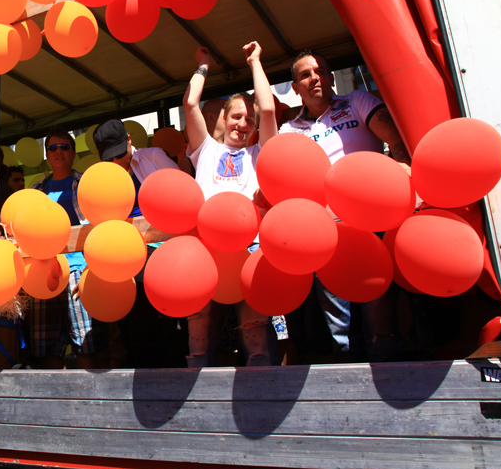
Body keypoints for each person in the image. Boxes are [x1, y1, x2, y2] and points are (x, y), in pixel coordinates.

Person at [280, 52, 410, 362]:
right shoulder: (289, 131)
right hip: (325, 231)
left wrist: (404, 167)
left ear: (331, 77)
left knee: (380, 318)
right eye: (306, 74)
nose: (315, 77)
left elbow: (395, 141)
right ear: (296, 88)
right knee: (339, 328)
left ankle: (387, 377)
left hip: (371, 222)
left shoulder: (357, 101)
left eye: (321, 71)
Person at [183, 42, 278, 368]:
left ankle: (263, 404)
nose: (243, 123)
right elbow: (190, 102)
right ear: (222, 117)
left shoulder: (259, 154)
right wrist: (203, 65)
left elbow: (268, 110)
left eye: (248, 119)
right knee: (198, 347)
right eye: (237, 116)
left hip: (250, 254)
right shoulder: (204, 149)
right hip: (205, 256)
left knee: (258, 345)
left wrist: (255, 62)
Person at [91, 119, 183, 367]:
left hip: (164, 248)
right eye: (109, 158)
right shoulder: (103, 179)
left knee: (167, 323)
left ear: (130, 139)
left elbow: (181, 193)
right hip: (128, 254)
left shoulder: (152, 157)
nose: (116, 161)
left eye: (120, 154)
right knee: (136, 323)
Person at [29, 128, 106, 369]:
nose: (59, 151)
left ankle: (93, 402)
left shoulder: (84, 183)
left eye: (64, 147)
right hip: (44, 272)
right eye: (53, 147)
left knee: (86, 343)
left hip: (79, 268)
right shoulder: (36, 189)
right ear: (47, 154)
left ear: (73, 153)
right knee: (47, 348)